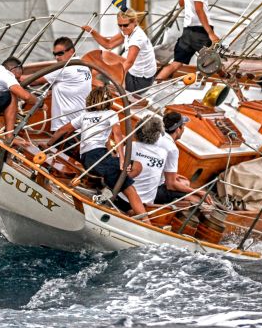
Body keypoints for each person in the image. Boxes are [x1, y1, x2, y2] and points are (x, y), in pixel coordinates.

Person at [45, 86, 148, 221]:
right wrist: (122, 160)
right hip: (99, 157)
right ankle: (147, 224)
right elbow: (117, 135)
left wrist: (47, 146)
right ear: (108, 101)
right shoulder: (110, 113)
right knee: (134, 176)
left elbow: (62, 130)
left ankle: (111, 188)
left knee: (125, 172)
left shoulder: (84, 116)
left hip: (88, 159)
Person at [156, 0, 219, 80]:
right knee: (215, 63)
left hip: (188, 30)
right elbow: (199, 8)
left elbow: (181, 2)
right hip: (200, 31)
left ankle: (153, 85)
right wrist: (210, 33)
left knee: (176, 64)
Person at [82, 10, 157, 93]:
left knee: (103, 62)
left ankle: (93, 83)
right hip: (138, 73)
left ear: (134, 22)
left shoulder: (137, 38)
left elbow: (129, 62)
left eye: (125, 25)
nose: (122, 28)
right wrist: (92, 31)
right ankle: (92, 79)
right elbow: (109, 44)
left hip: (139, 82)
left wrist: (116, 82)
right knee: (105, 56)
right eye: (119, 25)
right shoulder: (129, 31)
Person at [30, 37, 92, 133]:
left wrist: (8, 76)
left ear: (71, 51)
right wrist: (53, 91)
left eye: (60, 53)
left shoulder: (65, 69)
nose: (57, 57)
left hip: (65, 128)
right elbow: (73, 87)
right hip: (81, 126)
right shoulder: (84, 67)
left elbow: (32, 81)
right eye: (55, 54)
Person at [154, 111, 213, 205]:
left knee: (184, 182)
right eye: (183, 127)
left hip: (140, 182)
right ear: (178, 129)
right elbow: (171, 185)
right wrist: (198, 192)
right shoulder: (172, 149)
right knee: (195, 198)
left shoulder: (155, 137)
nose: (184, 129)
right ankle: (163, 212)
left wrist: (174, 177)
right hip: (153, 191)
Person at [119, 117, 168, 206]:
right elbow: (161, 181)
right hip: (146, 204)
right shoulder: (163, 153)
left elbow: (117, 169)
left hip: (122, 198)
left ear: (138, 129)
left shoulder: (130, 147)